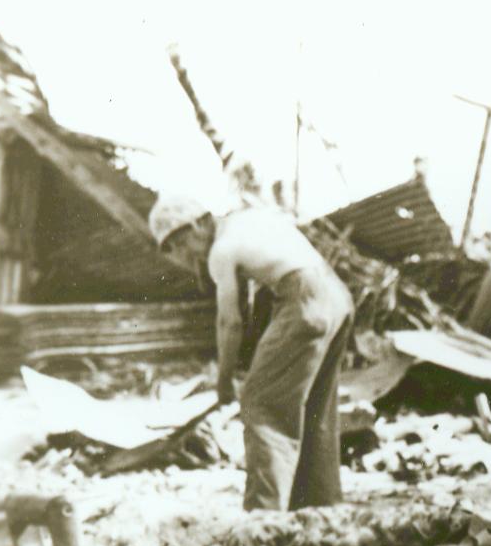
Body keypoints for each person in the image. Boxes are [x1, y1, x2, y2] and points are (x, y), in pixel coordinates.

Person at [147, 195, 354, 511]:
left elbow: (229, 322)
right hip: (337, 296)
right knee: (315, 405)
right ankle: (320, 508)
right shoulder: (248, 219)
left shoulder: (221, 250)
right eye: (175, 249)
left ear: (199, 224)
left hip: (304, 298)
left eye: (183, 241)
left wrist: (224, 380)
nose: (187, 254)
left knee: (261, 403)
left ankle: (264, 517)